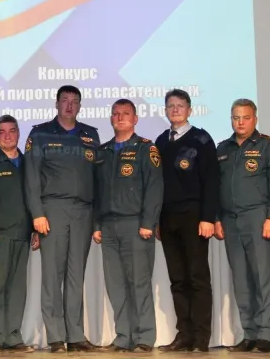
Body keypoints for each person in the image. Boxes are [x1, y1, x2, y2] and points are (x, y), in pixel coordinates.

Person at [24, 85, 101, 352]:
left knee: (75, 275)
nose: (70, 106)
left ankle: (76, 335)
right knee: (52, 276)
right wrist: (37, 214)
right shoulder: (40, 133)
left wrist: (97, 220)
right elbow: (31, 178)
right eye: (65, 101)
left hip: (84, 212)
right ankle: (56, 336)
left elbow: (98, 180)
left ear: (80, 106)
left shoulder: (90, 135)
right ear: (56, 104)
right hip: (52, 210)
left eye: (74, 102)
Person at [215, 98, 270, 354]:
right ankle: (250, 332)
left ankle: (266, 335)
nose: (240, 122)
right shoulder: (224, 148)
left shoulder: (268, 145)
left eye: (245, 117)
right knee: (241, 280)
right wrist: (217, 218)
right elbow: (217, 187)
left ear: (255, 119)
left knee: (262, 277)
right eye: (235, 118)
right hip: (230, 221)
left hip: (258, 218)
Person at [93, 100, 163, 352]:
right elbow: (97, 192)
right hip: (109, 227)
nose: (120, 117)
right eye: (116, 114)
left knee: (139, 283)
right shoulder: (103, 152)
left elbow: (154, 189)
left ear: (135, 119)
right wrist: (97, 224)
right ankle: (123, 336)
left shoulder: (146, 148)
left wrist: (148, 222)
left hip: (135, 225)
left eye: (126, 114)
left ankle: (144, 337)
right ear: (111, 118)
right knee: (116, 285)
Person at [154, 89, 219, 353]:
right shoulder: (160, 141)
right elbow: (156, 186)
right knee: (178, 279)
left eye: (180, 105)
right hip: (167, 219)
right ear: (166, 110)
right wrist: (157, 220)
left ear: (190, 110)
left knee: (197, 277)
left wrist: (208, 218)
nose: (175, 109)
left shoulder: (202, 139)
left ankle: (201, 337)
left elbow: (212, 181)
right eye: (170, 106)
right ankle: (184, 334)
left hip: (194, 217)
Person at [0, 115, 38, 354]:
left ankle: (13, 337)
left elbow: (33, 199)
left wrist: (34, 230)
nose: (8, 135)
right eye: (2, 132)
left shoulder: (28, 163)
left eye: (12, 131)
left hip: (21, 234)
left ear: (19, 133)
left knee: (16, 289)